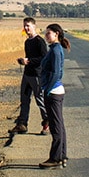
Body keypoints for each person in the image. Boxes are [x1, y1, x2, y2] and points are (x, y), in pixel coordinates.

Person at [9, 17, 49, 135]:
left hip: (36, 75)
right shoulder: (27, 41)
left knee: (40, 100)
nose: (26, 28)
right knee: (24, 99)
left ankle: (47, 123)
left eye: (28, 26)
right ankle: (22, 124)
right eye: (25, 26)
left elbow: (44, 58)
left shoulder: (39, 41)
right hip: (27, 74)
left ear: (34, 26)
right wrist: (23, 61)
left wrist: (29, 61)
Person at [38, 23, 71, 168]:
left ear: (56, 34)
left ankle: (55, 158)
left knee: (56, 126)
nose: (46, 36)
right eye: (46, 33)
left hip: (54, 92)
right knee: (59, 125)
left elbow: (56, 72)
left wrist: (47, 89)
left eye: (48, 33)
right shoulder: (54, 49)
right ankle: (61, 155)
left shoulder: (56, 50)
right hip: (54, 90)